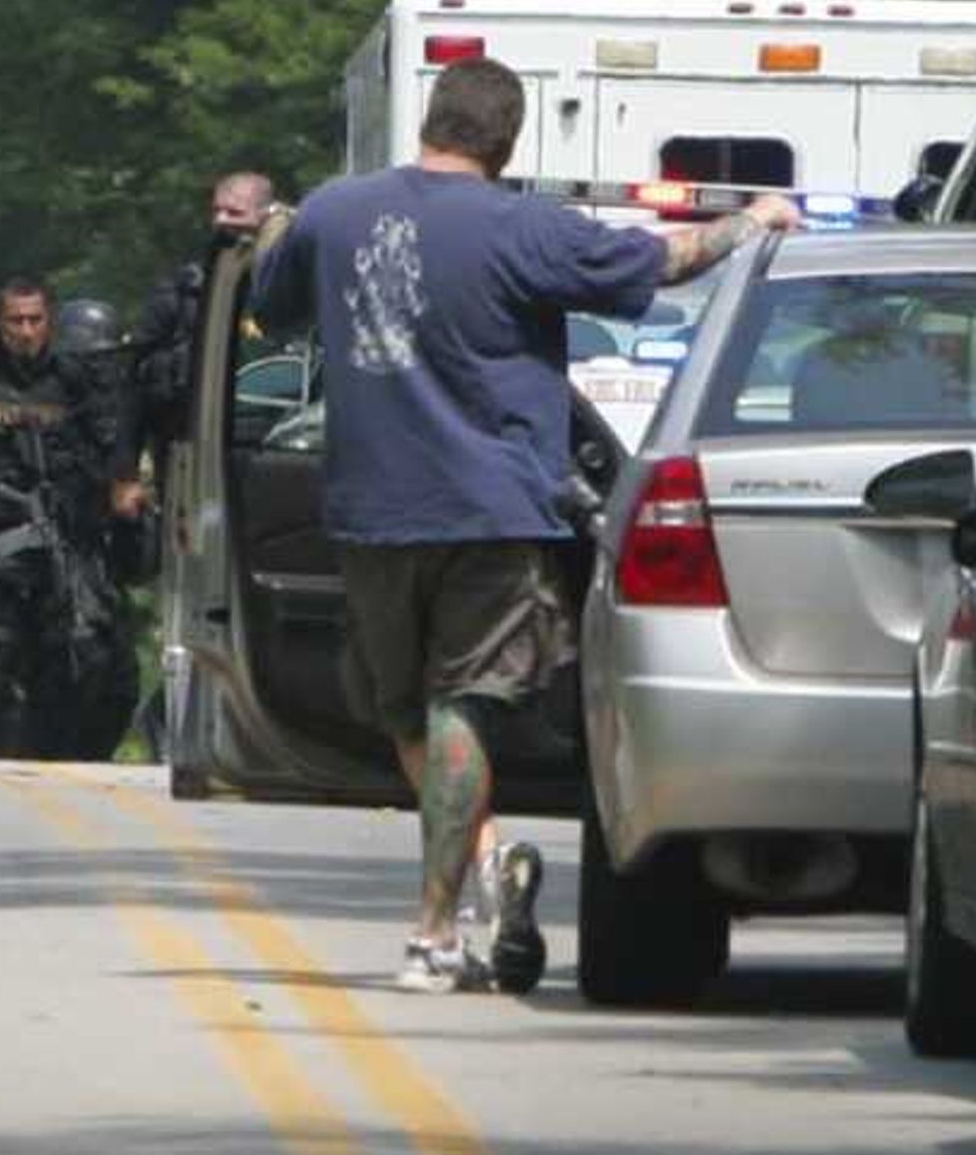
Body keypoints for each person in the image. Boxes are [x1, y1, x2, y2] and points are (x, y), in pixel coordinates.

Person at [250, 57, 793, 993]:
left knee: (408, 711)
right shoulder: (526, 227)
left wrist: (272, 230)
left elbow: (270, 306)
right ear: (506, 142)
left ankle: (485, 874)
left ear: (429, 119)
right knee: (462, 705)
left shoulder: (335, 213)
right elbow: (666, 263)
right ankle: (435, 931)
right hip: (495, 509)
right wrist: (755, 220)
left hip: (372, 510)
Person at [0, 276, 143, 759]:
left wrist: (111, 493)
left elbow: (116, 458)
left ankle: (61, 759)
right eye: (15, 321)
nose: (25, 331)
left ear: (50, 322)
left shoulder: (77, 382)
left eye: (35, 320)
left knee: (88, 655)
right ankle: (3, 763)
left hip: (67, 546)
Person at [127, 170, 275, 454]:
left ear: (265, 216)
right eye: (216, 211)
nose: (221, 221)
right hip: (197, 451)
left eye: (234, 212)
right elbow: (136, 383)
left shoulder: (292, 285)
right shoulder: (184, 292)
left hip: (275, 444)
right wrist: (125, 470)